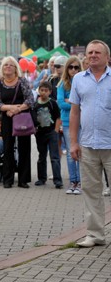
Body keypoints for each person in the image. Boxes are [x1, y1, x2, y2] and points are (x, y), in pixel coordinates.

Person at [69, 39, 111, 248]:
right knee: (91, 190)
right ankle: (95, 235)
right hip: (88, 145)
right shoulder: (78, 79)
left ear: (107, 57)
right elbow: (75, 112)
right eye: (90, 52)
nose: (93, 55)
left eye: (97, 52)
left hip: (110, 144)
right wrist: (74, 142)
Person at [0, 56, 35, 189]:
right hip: (6, 117)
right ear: (2, 69)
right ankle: (8, 179)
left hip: (22, 117)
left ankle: (23, 179)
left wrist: (16, 109)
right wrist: (10, 108)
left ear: (16, 68)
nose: (8, 67)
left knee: (24, 148)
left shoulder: (23, 81)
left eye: (11, 65)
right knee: (8, 148)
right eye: (5, 65)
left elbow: (30, 99)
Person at [57, 56, 82, 194]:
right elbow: (61, 103)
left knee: (82, 152)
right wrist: (76, 104)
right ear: (67, 68)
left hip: (82, 122)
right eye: (70, 67)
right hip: (67, 122)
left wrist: (71, 102)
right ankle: (73, 181)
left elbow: (85, 102)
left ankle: (81, 182)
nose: (73, 70)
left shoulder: (83, 82)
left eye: (76, 67)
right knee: (70, 152)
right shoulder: (63, 84)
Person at [32, 81, 62, 189]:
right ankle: (41, 178)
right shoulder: (35, 104)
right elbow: (33, 119)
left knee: (54, 157)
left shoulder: (52, 103)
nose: (43, 93)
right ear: (39, 91)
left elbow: (58, 117)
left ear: (50, 92)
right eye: (42, 90)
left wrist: (56, 130)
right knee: (41, 156)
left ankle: (57, 180)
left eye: (46, 91)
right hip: (40, 134)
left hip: (51, 133)